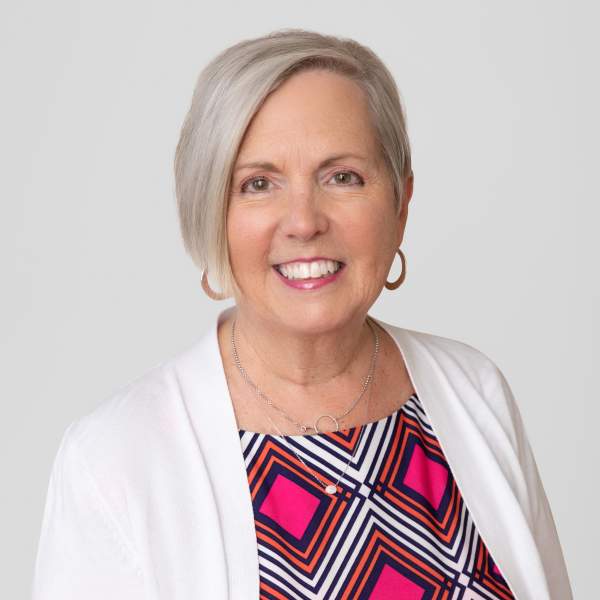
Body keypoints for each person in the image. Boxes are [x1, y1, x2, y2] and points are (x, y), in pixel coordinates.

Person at [32, 29, 573, 599]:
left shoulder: (475, 391)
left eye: (342, 177)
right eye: (258, 184)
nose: (303, 221)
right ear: (209, 212)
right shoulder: (114, 461)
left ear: (401, 202)